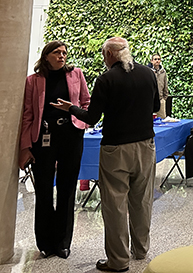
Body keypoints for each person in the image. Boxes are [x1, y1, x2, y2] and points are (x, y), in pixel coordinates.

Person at [52, 37, 160, 273]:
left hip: (116, 149)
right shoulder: (148, 74)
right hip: (145, 146)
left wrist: (70, 107)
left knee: (115, 204)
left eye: (104, 55)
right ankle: (141, 250)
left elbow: (91, 118)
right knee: (142, 200)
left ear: (110, 55)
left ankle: (118, 261)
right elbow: (154, 108)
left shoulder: (106, 79)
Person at [18, 41, 91, 259]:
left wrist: (81, 121)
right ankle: (45, 243)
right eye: (57, 53)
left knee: (67, 190)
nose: (62, 56)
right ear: (46, 56)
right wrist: (25, 146)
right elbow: (28, 114)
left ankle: (63, 242)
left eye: (64, 53)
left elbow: (86, 103)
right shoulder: (34, 80)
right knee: (43, 189)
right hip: (43, 139)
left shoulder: (76, 74)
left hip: (71, 136)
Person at [149, 53, 168, 119]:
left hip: (160, 100)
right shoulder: (148, 71)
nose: (157, 61)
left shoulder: (163, 72)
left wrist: (164, 99)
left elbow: (165, 85)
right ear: (151, 61)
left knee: (162, 119)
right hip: (150, 100)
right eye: (155, 59)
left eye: (159, 59)